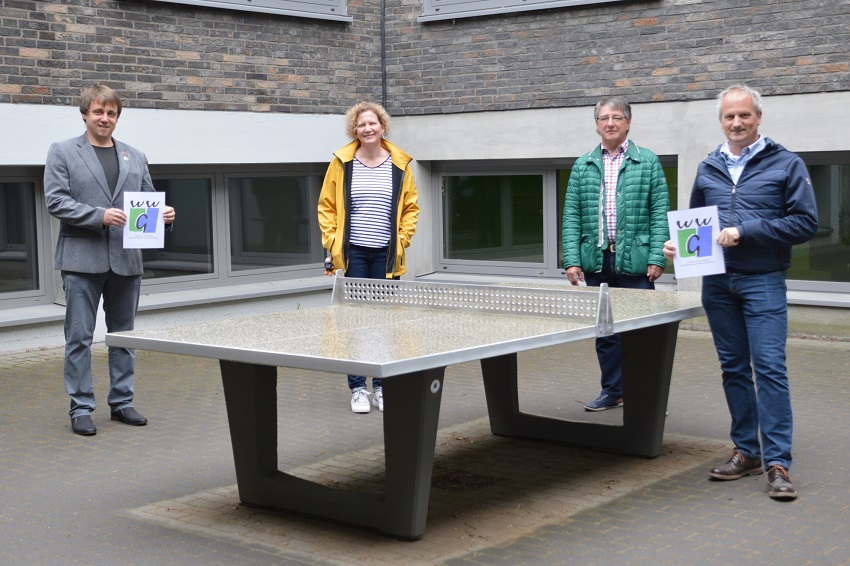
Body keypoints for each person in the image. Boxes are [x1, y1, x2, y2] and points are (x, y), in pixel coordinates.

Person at [663, 85, 818, 500]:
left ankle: (778, 462)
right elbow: (696, 222)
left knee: (769, 368)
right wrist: (677, 246)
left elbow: (805, 223)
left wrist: (744, 231)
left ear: (758, 117)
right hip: (717, 283)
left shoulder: (786, 164)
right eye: (729, 117)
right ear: (721, 120)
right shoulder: (708, 167)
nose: (736, 123)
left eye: (744, 116)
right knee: (733, 368)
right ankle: (747, 452)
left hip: (763, 279)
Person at [44, 84, 176, 436]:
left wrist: (164, 215)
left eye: (111, 113)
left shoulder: (135, 155)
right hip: (81, 262)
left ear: (118, 117)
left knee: (124, 337)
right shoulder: (62, 152)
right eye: (99, 112)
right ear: (85, 113)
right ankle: (81, 407)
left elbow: (147, 200)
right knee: (79, 338)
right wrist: (98, 216)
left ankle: (122, 403)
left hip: (126, 262)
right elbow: (55, 201)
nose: (105, 118)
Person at [562, 96, 670, 411]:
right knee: (606, 332)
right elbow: (571, 216)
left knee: (641, 331)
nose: (610, 123)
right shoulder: (583, 165)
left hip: (636, 260)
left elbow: (659, 212)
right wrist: (571, 259)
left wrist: (656, 256)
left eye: (617, 117)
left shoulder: (647, 161)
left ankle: (644, 392)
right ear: (597, 124)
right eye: (604, 118)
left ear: (628, 122)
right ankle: (614, 391)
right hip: (597, 261)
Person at [317, 101, 420, 414]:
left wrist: (402, 239)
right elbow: (326, 206)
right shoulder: (342, 162)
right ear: (355, 130)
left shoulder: (400, 164)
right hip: (354, 254)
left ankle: (384, 386)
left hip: (386, 255)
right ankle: (359, 387)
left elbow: (411, 208)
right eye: (361, 125)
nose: (368, 128)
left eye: (372, 123)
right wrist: (332, 242)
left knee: (385, 320)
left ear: (382, 126)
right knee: (356, 321)